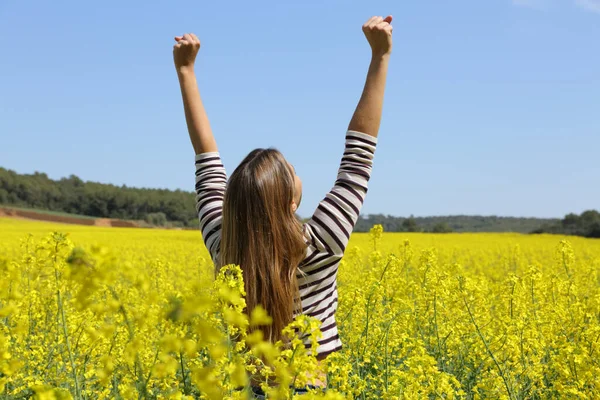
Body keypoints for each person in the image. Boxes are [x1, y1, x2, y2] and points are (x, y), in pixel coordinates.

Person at [173, 15, 393, 395]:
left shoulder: (224, 247)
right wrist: (380, 56)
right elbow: (358, 157)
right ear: (291, 201)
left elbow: (206, 161)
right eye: (293, 170)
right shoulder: (322, 243)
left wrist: (185, 71)